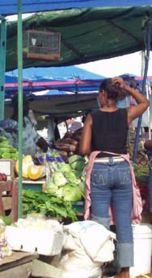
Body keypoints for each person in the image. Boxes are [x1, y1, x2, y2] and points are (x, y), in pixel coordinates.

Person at [80, 76, 149, 278]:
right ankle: (125, 271)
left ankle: (102, 268)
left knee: (100, 222)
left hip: (100, 170)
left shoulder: (92, 116)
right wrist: (127, 87)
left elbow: (84, 148)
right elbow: (145, 103)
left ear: (103, 94)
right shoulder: (125, 114)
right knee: (123, 222)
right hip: (122, 170)